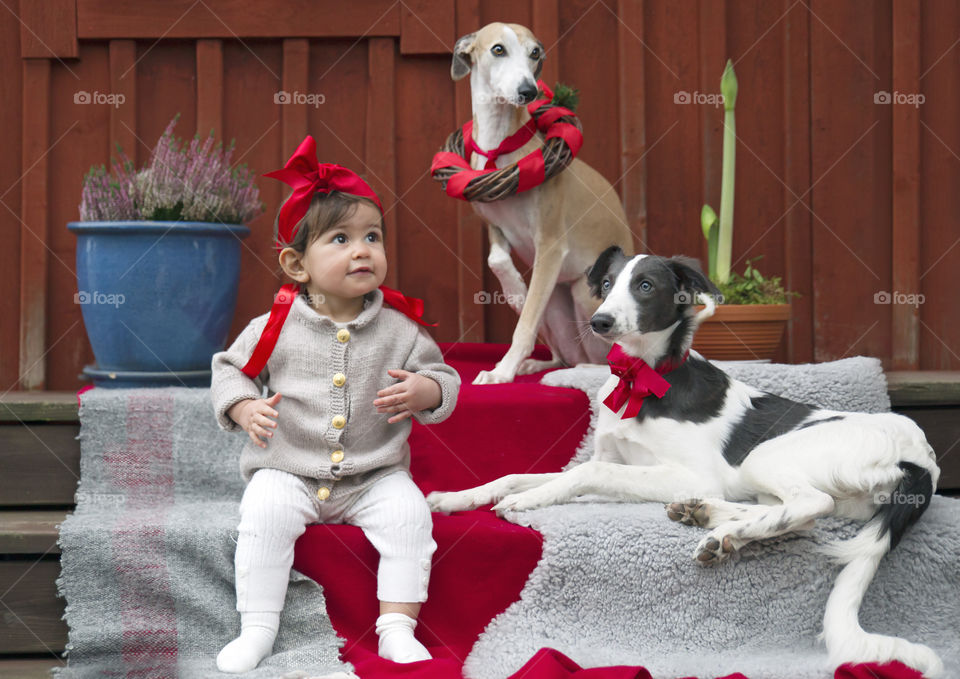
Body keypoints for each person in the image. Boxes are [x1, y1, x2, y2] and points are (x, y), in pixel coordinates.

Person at [210, 136, 459, 672]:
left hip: (374, 475)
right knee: (263, 513)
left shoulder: (400, 330)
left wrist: (427, 391)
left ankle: (396, 625)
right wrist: (242, 408)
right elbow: (229, 370)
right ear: (296, 264)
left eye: (372, 236)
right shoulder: (272, 326)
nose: (362, 249)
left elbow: (443, 376)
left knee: (410, 516)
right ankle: (258, 625)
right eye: (341, 239)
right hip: (288, 468)